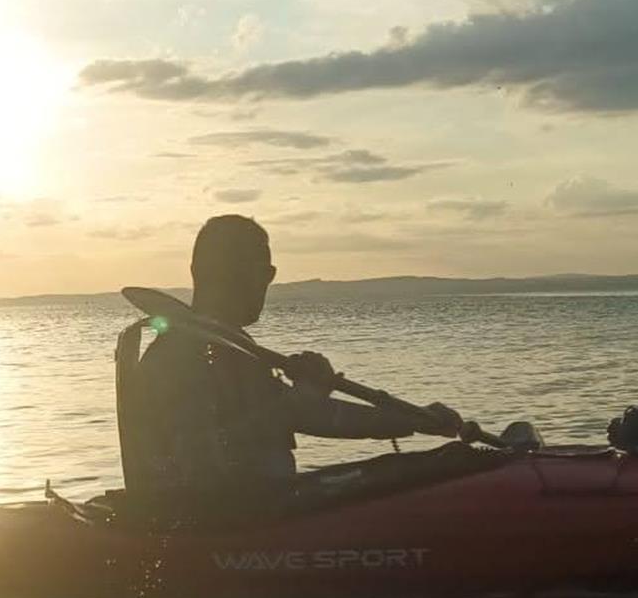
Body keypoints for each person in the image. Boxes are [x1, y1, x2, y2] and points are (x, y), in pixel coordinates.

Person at [121, 215, 463, 508]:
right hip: (225, 524)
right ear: (218, 273)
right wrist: (304, 396)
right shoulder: (185, 356)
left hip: (258, 509)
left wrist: (410, 420)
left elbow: (307, 414)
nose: (265, 282)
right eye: (263, 271)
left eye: (269, 273)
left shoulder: (228, 349)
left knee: (437, 468)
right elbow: (206, 453)